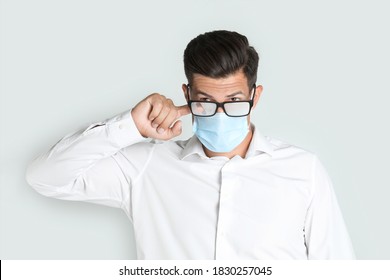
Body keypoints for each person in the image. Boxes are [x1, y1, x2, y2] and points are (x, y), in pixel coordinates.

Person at [26, 30, 355, 260]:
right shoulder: (147, 167)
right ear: (187, 95)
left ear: (256, 97)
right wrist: (131, 126)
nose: (221, 113)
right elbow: (45, 177)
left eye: (235, 100)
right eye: (206, 100)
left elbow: (336, 265)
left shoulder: (302, 169)